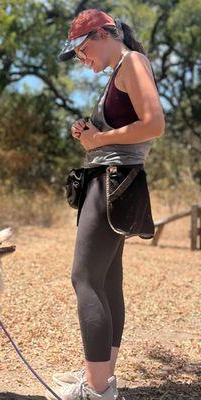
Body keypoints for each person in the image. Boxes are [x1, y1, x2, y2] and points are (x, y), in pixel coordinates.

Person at [45, 8, 165, 400]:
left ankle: (97, 390)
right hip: (119, 181)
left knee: (84, 278)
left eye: (81, 52)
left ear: (101, 34)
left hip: (112, 181)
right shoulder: (120, 69)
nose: (82, 61)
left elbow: (154, 124)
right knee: (107, 280)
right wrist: (92, 132)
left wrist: (97, 142)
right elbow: (126, 128)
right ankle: (99, 375)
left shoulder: (130, 62)